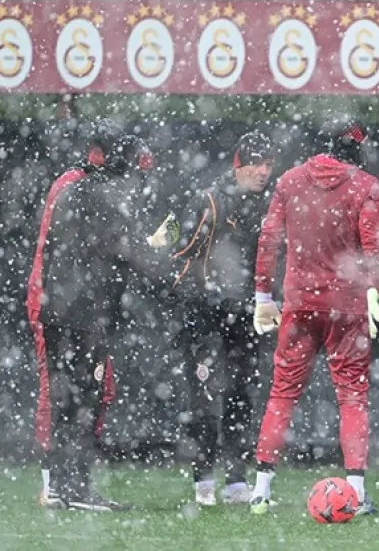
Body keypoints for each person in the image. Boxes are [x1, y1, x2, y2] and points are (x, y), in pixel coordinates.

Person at [249, 117, 379, 515]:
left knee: (282, 393)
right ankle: (356, 492)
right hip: (346, 307)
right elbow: (376, 249)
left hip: (299, 303)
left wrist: (263, 294)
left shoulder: (289, 181)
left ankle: (261, 490)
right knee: (353, 397)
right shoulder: (365, 185)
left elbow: (269, 238)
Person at [147, 132, 277, 506]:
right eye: (256, 163)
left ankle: (236, 482)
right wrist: (163, 244)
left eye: (269, 164)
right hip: (202, 312)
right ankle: (203, 480)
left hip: (244, 312)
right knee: (203, 396)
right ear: (239, 165)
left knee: (241, 393)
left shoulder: (269, 203)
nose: (263, 171)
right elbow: (178, 249)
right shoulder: (209, 199)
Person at [39, 134, 155, 511]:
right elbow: (133, 255)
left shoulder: (75, 190)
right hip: (85, 317)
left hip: (57, 309)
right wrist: (165, 256)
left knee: (65, 400)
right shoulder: (108, 197)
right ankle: (77, 490)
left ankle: (58, 487)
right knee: (83, 402)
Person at [27, 120, 123, 508]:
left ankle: (67, 481)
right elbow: (69, 251)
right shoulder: (74, 186)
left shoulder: (76, 184)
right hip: (58, 300)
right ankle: (56, 485)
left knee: (96, 389)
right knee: (61, 390)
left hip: (68, 300)